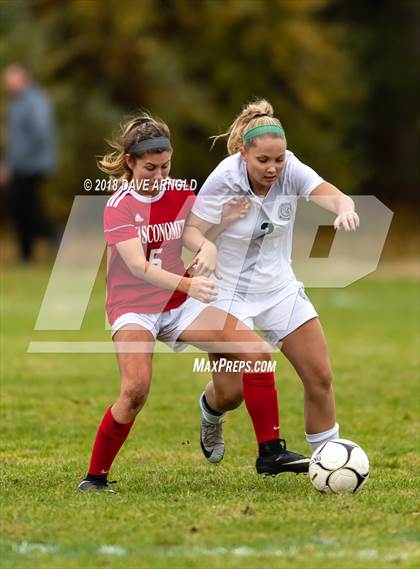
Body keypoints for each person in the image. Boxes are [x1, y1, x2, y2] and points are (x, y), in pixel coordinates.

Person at [78, 113, 309, 492]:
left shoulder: (179, 190)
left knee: (255, 352)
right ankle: (95, 478)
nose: (159, 175)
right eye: (150, 167)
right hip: (134, 308)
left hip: (178, 302)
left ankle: (270, 453)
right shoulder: (118, 205)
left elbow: (190, 234)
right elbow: (138, 267)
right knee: (135, 391)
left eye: (165, 165)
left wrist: (209, 246)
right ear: (130, 162)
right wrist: (188, 283)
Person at [183, 99, 360, 464]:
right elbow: (191, 231)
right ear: (243, 154)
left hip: (278, 289)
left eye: (278, 159)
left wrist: (345, 208)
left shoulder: (290, 168)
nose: (273, 168)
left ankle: (328, 461)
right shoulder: (224, 177)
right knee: (231, 392)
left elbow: (327, 192)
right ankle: (210, 410)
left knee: (320, 376)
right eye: (263, 160)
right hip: (224, 293)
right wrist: (206, 246)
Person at [0, 63, 56, 261]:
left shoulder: (35, 100)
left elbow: (40, 134)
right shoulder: (18, 102)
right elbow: (16, 139)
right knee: (23, 206)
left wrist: (13, 163)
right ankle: (28, 251)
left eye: (10, 77)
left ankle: (51, 236)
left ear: (23, 77)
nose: (6, 82)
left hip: (33, 164)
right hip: (20, 164)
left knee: (22, 204)